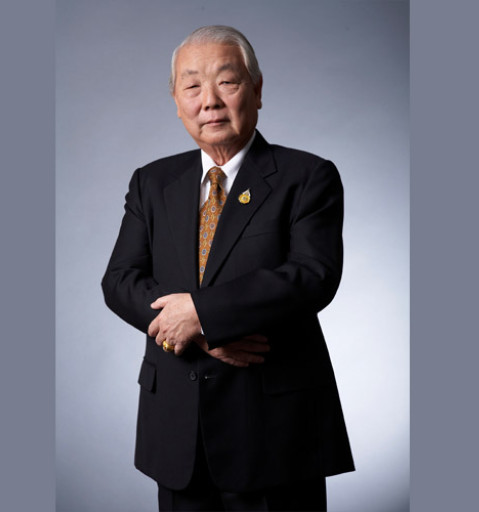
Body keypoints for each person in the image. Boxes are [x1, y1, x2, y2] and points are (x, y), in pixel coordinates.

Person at [102, 25, 354, 511]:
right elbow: (119, 281)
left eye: (227, 82)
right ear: (176, 102)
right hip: (177, 428)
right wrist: (193, 332)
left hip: (274, 431)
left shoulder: (307, 176)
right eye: (192, 86)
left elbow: (312, 275)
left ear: (257, 90)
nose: (209, 101)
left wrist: (201, 314)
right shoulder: (152, 182)